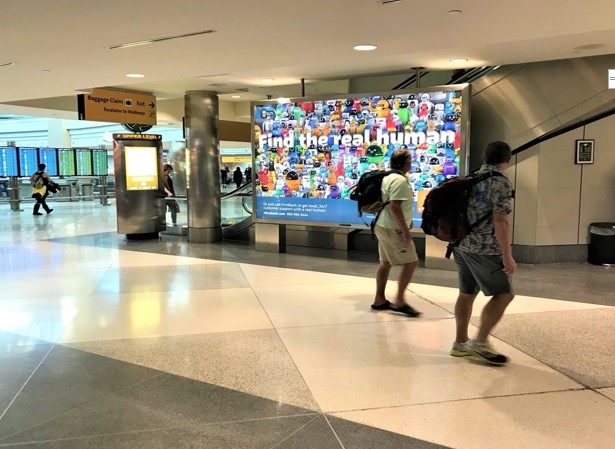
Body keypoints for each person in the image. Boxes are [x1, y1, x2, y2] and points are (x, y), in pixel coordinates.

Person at [449, 141, 517, 365]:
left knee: (467, 293)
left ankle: (460, 343)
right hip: (484, 248)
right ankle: (479, 342)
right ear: (507, 159)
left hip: (461, 244)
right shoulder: (500, 182)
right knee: (505, 294)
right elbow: (501, 220)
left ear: (485, 156)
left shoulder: (471, 177)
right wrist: (507, 255)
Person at [370, 149, 421, 317]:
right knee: (411, 262)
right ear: (406, 163)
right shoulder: (399, 181)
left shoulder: (387, 177)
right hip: (393, 228)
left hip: (382, 224)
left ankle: (379, 299)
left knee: (385, 263)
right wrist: (405, 231)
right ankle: (399, 301)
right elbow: (395, 206)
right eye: (410, 160)